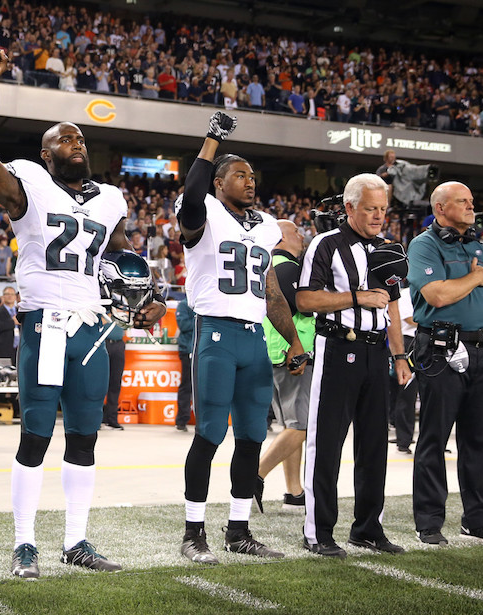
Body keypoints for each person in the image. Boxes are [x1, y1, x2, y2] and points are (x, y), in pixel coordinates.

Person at [0, 49, 166, 579]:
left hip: (93, 329)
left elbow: (122, 260)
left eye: (81, 138)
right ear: (46, 155)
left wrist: (147, 296)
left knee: (84, 435)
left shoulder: (110, 200)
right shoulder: (27, 181)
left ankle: (75, 539)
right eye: (66, 139)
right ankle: (24, 542)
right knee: (34, 434)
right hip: (45, 323)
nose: (77, 144)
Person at [177, 112, 306, 566]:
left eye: (252, 175)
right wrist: (212, 137)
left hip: (254, 337)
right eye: (239, 174)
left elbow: (271, 291)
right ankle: (193, 533)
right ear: (217, 182)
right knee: (210, 433)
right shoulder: (204, 210)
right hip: (215, 332)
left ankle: (238, 530)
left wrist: (291, 340)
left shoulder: (267, 226)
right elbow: (192, 193)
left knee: (252, 436)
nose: (250, 181)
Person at [297, 173, 411, 558]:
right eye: (370, 209)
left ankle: (367, 528)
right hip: (338, 348)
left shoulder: (388, 248)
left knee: (375, 446)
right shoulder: (325, 244)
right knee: (326, 443)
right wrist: (356, 298)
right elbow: (306, 301)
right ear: (349, 207)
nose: (379, 216)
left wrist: (399, 356)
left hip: (377, 352)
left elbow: (392, 307)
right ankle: (318, 532)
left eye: (382, 208)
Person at [407, 181, 483, 545]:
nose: (471, 207)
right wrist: (474, 278)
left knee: (479, 440)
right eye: (463, 201)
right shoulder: (423, 244)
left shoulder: (477, 244)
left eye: (472, 201)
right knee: (434, 437)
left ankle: (477, 518)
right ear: (440, 208)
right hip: (443, 350)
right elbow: (437, 295)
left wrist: (472, 282)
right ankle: (428, 521)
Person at [257, 220, 314, 513]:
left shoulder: (270, 266)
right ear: (279, 238)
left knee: (292, 424)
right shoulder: (288, 267)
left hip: (278, 351)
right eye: (294, 232)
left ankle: (294, 492)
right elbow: (303, 304)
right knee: (302, 425)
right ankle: (254, 476)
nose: (301, 236)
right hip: (296, 351)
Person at [388, 282, 418, 455]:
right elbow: (408, 319)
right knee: (407, 394)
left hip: (427, 342)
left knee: (434, 393)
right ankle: (403, 440)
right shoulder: (405, 294)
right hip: (408, 344)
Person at [174, 298, 195, 432]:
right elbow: (183, 325)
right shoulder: (183, 304)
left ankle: (202, 421)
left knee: (203, 388)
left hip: (201, 350)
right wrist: (201, 320)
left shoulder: (203, 303)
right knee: (186, 386)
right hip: (187, 350)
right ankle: (181, 420)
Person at [101, 321, 126, 430]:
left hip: (119, 344)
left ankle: (112, 419)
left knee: (115, 382)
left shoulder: (123, 307)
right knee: (100, 382)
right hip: (103, 343)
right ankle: (97, 418)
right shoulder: (104, 306)